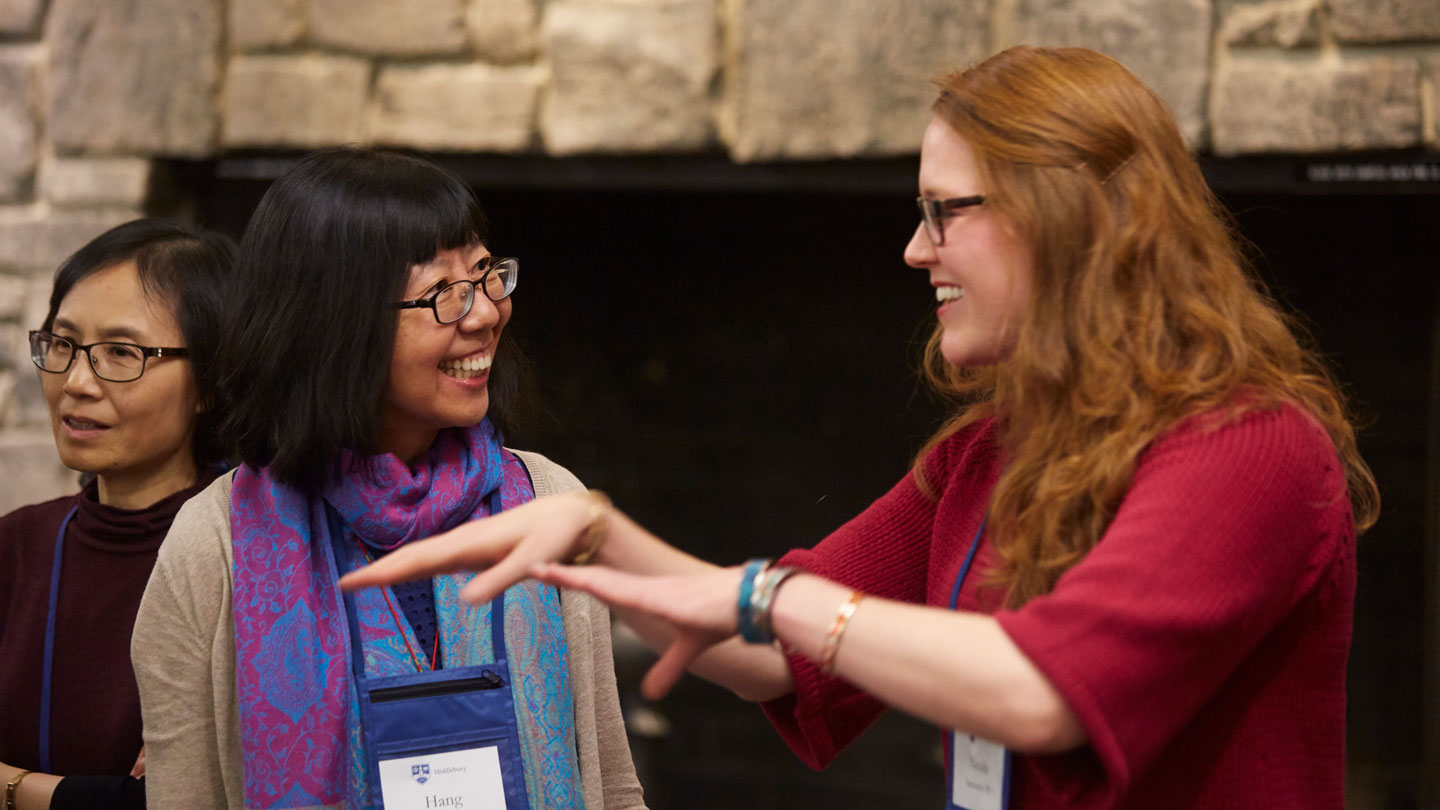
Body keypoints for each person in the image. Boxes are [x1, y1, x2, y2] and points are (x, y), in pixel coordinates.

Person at [340, 46, 1380, 810]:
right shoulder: (989, 452)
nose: (916, 251)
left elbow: (1043, 690)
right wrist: (597, 535)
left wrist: (767, 597)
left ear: (1068, 217)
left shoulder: (1251, 445)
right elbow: (780, 653)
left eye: (944, 212)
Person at [130, 147, 645, 810]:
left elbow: (611, 780)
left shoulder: (549, 502)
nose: (485, 314)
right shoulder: (213, 545)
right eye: (442, 293)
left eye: (486, 275)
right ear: (333, 321)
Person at [0, 219, 234, 810]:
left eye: (122, 353)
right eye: (62, 344)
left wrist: (12, 787)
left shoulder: (246, 554)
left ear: (211, 381)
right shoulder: (18, 544)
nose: (77, 382)